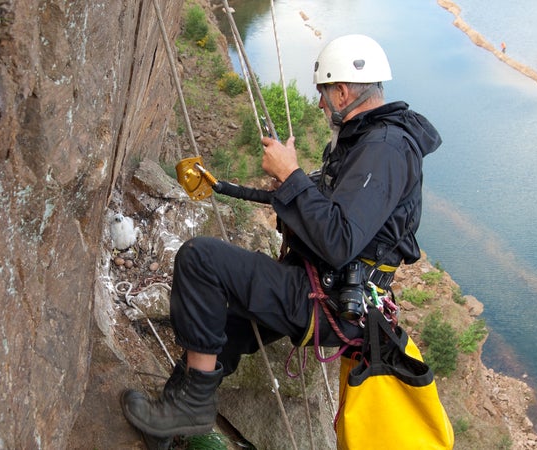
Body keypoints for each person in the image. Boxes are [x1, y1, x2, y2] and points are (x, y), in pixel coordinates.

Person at [121, 34, 442, 443]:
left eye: (324, 94)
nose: (321, 105)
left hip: (327, 300)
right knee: (231, 323)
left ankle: (190, 409)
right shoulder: (367, 140)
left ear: (343, 91)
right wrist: (276, 185)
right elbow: (334, 214)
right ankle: (171, 418)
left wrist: (291, 176)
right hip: (323, 290)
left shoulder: (385, 149)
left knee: (200, 259)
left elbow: (339, 241)